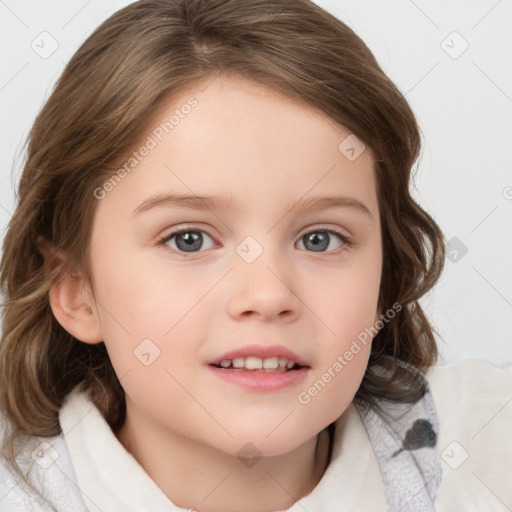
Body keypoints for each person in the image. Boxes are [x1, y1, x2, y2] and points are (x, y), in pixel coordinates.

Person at [0, 0, 510, 511]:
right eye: (189, 239)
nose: (267, 295)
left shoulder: (489, 459)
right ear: (76, 291)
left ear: (384, 277)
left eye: (320, 239)